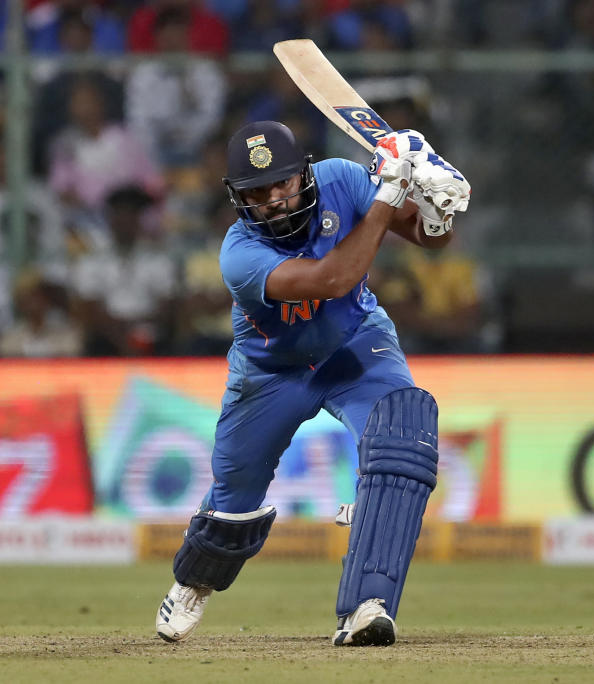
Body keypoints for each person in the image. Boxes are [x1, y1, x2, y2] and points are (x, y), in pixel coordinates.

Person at [154, 120, 470, 647]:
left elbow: (426, 238)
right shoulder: (239, 255)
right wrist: (392, 190)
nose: (274, 199)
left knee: (402, 438)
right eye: (258, 192)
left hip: (356, 345)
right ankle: (193, 582)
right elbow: (332, 280)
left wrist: (436, 204)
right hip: (271, 371)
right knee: (233, 504)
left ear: (304, 174)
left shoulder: (342, 178)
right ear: (238, 199)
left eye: (282, 183)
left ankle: (369, 606)